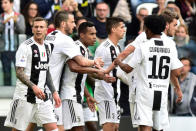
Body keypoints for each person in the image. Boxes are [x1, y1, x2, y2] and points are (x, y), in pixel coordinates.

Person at [114, 15, 183, 131]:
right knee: (159, 127)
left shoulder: (143, 47)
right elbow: (176, 71)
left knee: (145, 125)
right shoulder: (170, 46)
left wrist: (119, 62)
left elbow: (128, 69)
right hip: (161, 92)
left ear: (148, 30)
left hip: (145, 92)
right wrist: (176, 86)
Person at [45, 10, 103, 131]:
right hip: (55, 89)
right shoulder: (66, 41)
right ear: (63, 24)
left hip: (47, 86)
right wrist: (95, 64)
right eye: (72, 22)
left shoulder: (49, 36)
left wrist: (87, 94)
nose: (74, 25)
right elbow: (78, 64)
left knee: (55, 126)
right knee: (68, 127)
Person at [4, 17, 60, 131]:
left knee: (54, 128)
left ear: (46, 30)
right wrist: (33, 86)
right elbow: (19, 72)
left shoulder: (48, 46)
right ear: (32, 29)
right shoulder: (25, 46)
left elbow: (46, 70)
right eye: (36, 27)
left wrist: (54, 91)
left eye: (41, 27)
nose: (38, 30)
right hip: (25, 96)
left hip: (42, 97)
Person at [60, 21, 110, 131]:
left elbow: (81, 76)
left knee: (75, 128)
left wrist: (87, 95)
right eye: (91, 34)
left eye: (95, 34)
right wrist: (96, 71)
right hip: (69, 94)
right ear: (82, 35)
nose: (94, 37)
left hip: (77, 94)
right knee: (76, 128)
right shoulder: (76, 47)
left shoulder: (85, 50)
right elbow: (74, 67)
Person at [94, 17, 126, 131]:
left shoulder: (117, 47)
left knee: (115, 126)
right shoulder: (104, 48)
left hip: (114, 93)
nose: (124, 30)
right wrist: (103, 76)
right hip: (105, 93)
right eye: (121, 27)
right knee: (109, 125)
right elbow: (95, 69)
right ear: (113, 29)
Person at [0, 0, 25, 86]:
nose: (3, 5)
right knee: (6, 72)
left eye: (5, 2)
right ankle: (6, 94)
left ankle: (19, 94)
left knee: (20, 74)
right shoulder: (1, 17)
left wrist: (15, 22)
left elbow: (22, 30)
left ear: (11, 3)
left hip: (16, 49)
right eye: (2, 3)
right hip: (4, 49)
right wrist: (4, 23)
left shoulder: (19, 16)